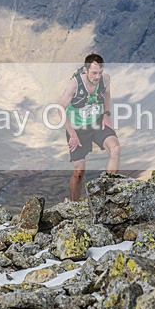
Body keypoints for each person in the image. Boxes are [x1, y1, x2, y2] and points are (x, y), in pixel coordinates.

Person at [58, 53, 121, 201]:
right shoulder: (75, 84)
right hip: (77, 128)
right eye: (94, 73)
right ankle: (73, 206)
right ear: (86, 70)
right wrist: (72, 134)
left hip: (97, 122)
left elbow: (107, 94)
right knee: (79, 171)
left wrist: (106, 114)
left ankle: (110, 197)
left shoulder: (105, 79)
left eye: (100, 72)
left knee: (115, 148)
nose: (97, 76)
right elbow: (60, 109)